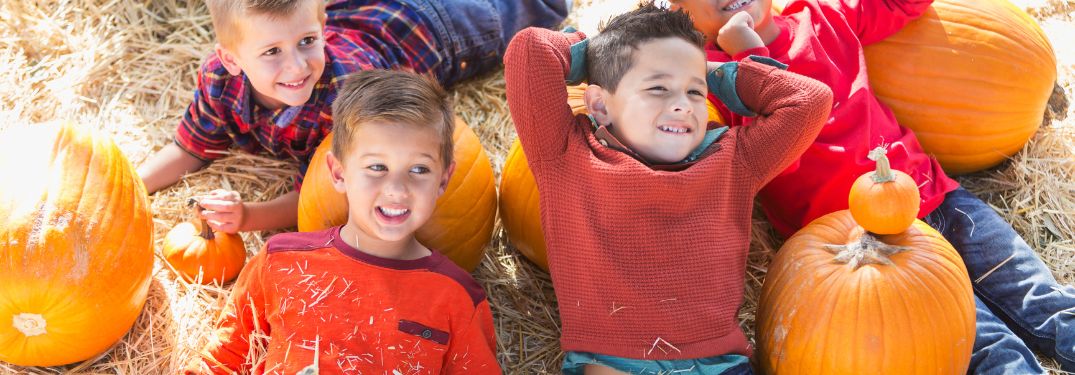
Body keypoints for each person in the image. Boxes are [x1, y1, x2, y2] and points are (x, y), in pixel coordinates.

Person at [669, 0, 1075, 372]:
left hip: (932, 193)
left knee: (1042, 299)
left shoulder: (821, 15)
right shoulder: (711, 79)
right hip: (867, 245)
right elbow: (770, 151)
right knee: (986, 344)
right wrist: (749, 56)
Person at [504, 3, 833, 373]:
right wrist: (594, 56)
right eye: (658, 87)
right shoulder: (567, 154)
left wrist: (717, 73)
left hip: (719, 364)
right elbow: (529, 50)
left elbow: (809, 100)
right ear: (599, 104)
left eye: (695, 92)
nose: (681, 105)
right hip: (613, 360)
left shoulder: (733, 160)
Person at [137, 0, 569, 233]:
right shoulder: (219, 81)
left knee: (535, 7)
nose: (297, 66)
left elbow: (318, 195)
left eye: (308, 41)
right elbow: (187, 148)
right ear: (231, 60)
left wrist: (249, 216)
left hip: (434, 28)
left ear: (319, 25)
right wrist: (134, 188)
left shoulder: (343, 103)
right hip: (361, 15)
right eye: (271, 52)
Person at [186, 70, 500, 374]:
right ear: (338, 173)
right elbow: (222, 361)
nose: (396, 189)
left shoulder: (456, 298)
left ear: (444, 180)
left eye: (419, 170)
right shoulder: (280, 262)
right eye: (377, 166)